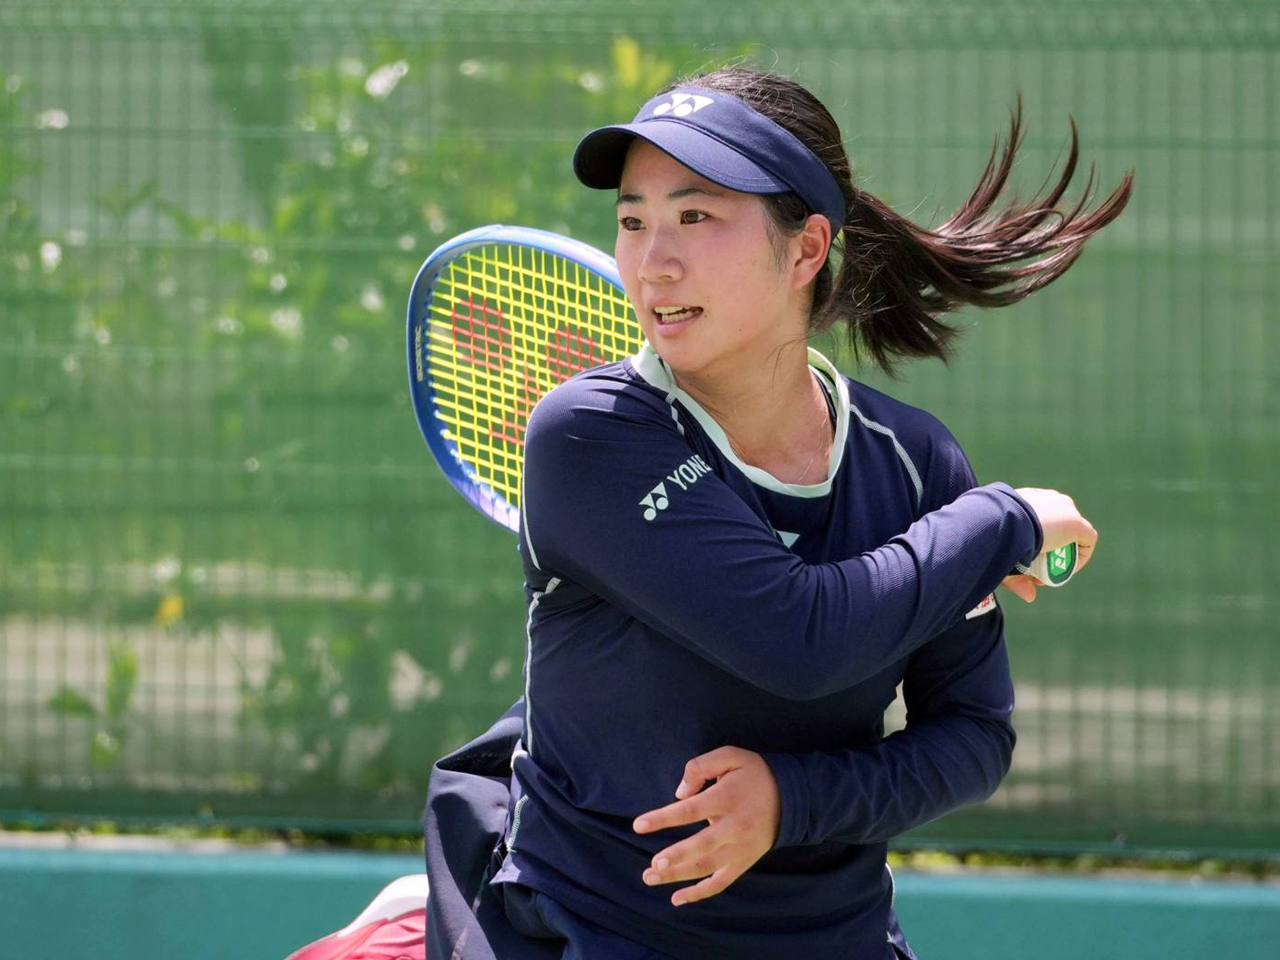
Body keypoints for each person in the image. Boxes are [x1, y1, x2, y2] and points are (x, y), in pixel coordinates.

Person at [292, 65, 1130, 960]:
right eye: (633, 220)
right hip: (584, 926)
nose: (654, 261)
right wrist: (1003, 520)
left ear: (807, 250)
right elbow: (799, 637)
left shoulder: (914, 463)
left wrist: (792, 800)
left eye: (695, 216)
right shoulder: (590, 433)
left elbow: (972, 735)